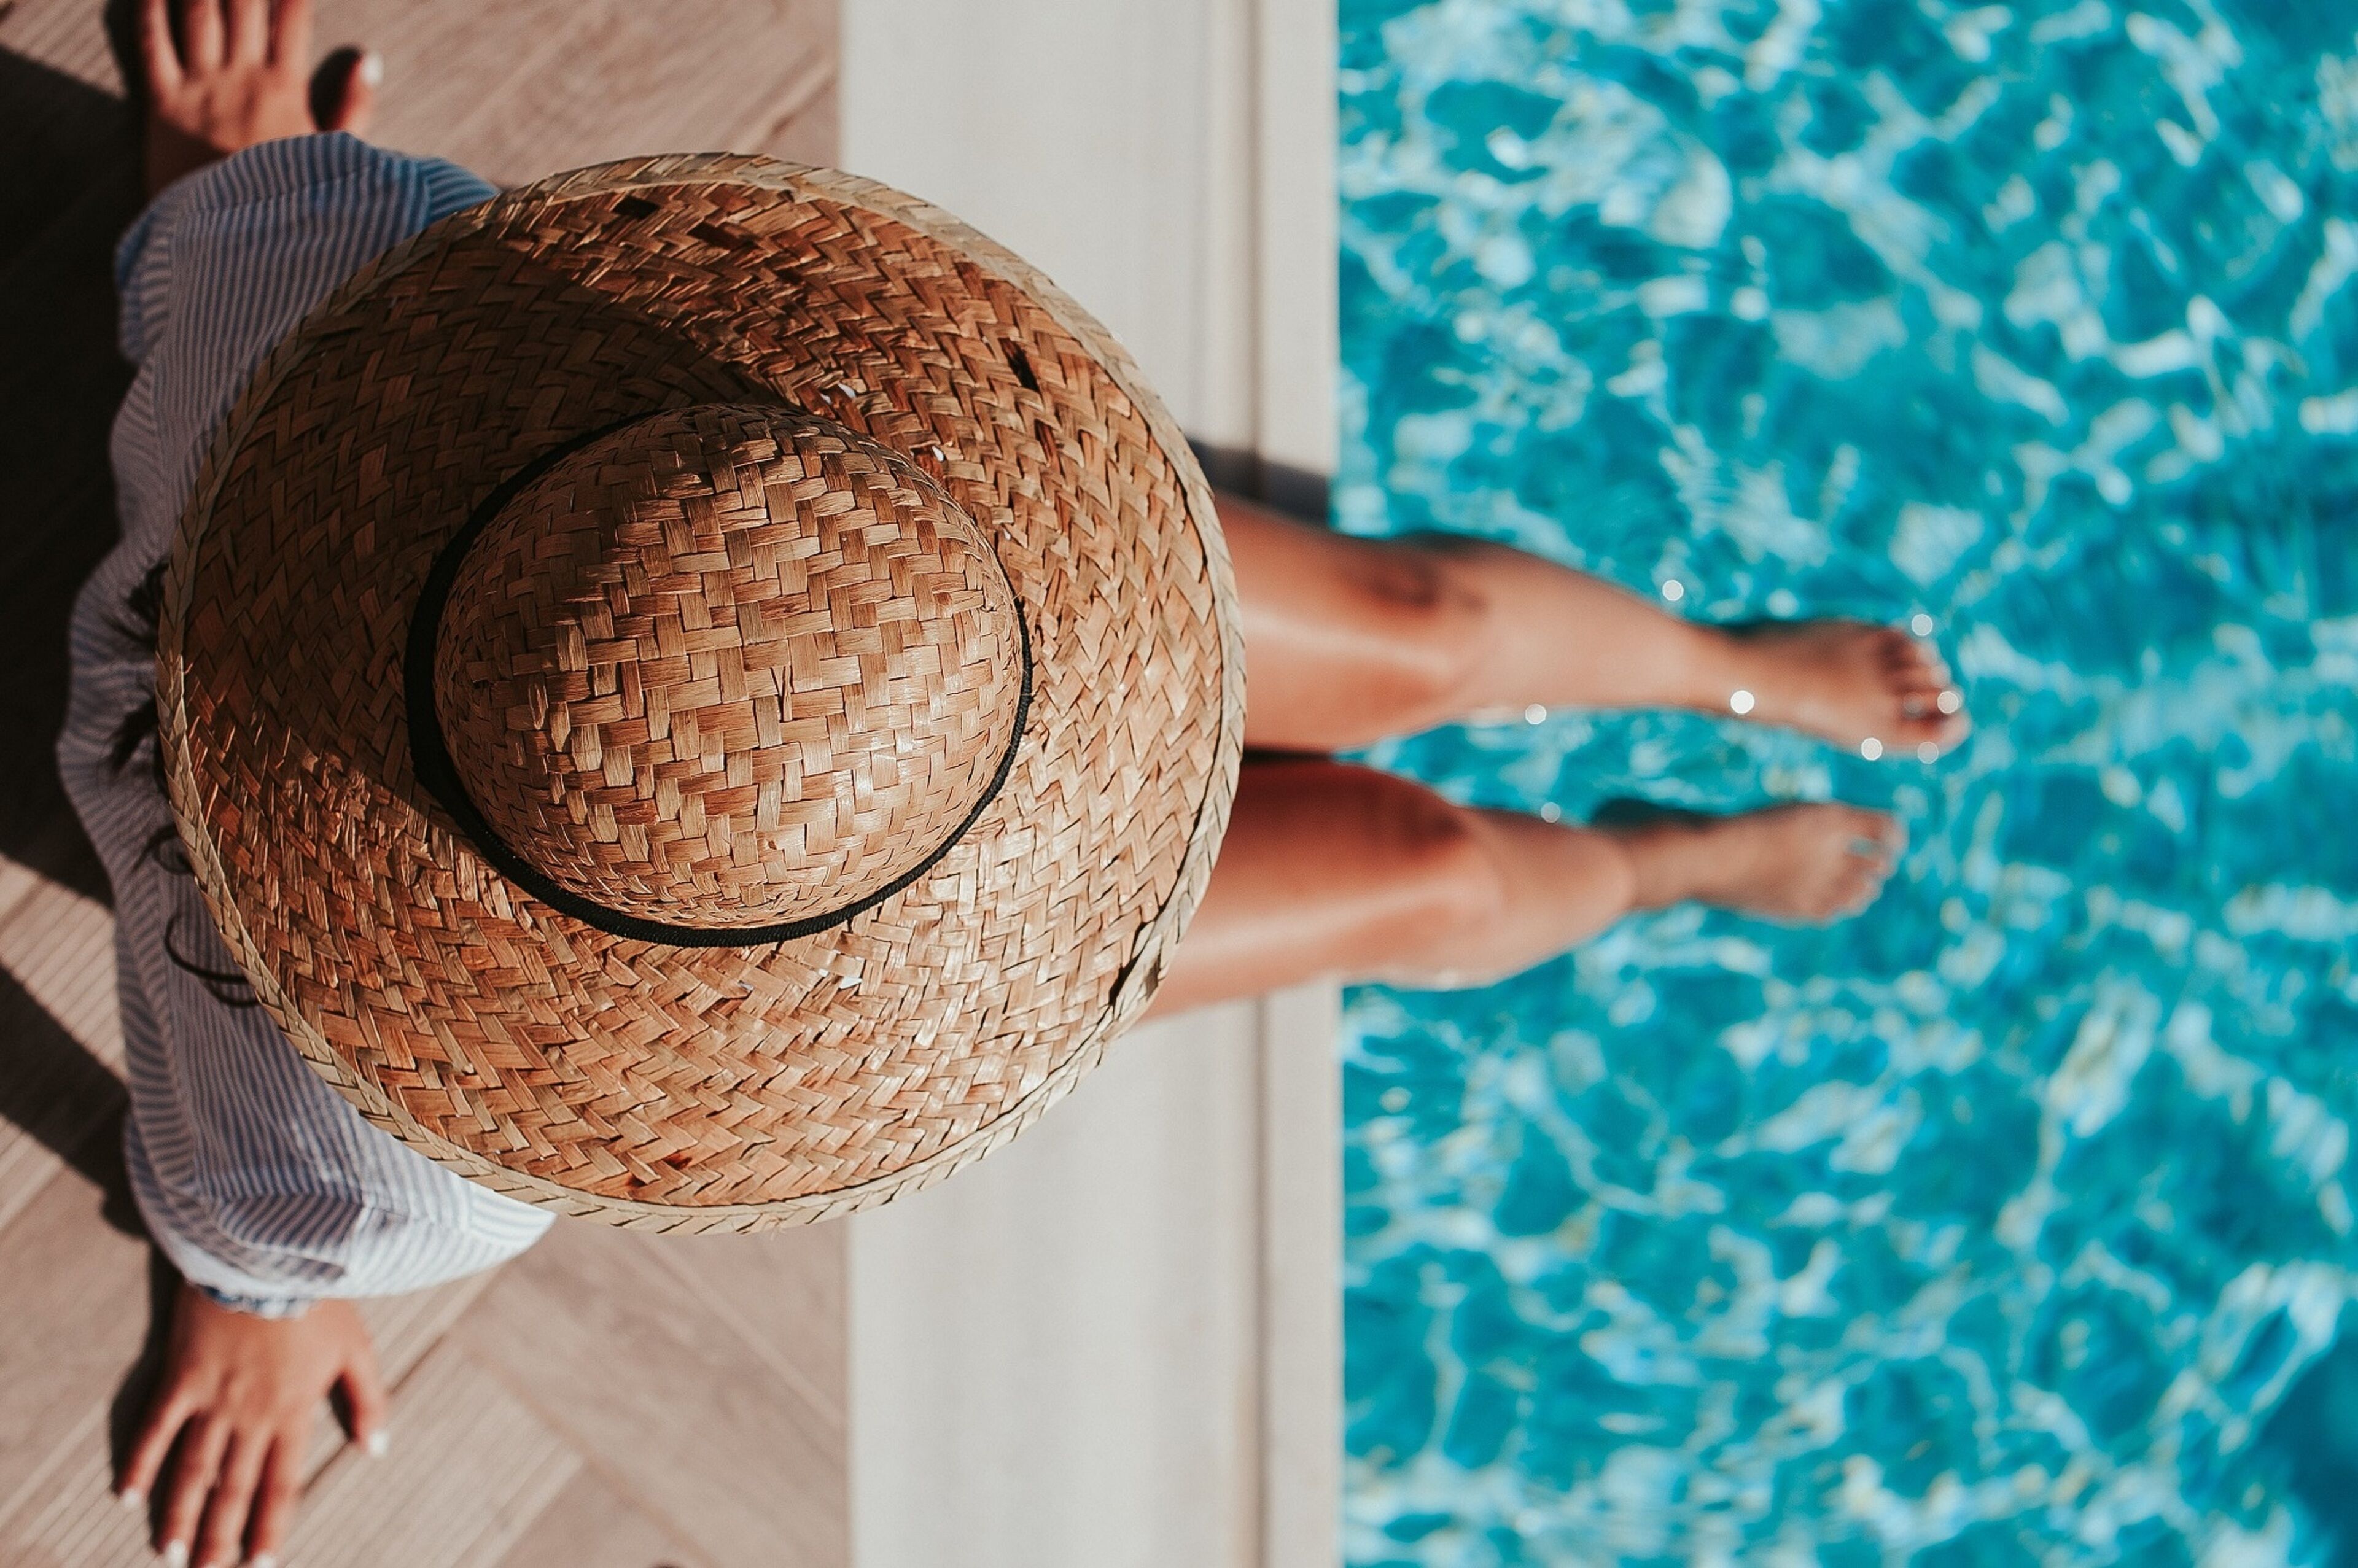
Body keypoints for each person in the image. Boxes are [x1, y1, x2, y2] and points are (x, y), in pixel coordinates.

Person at [61, 1, 1967, 1563]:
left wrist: (228, 177)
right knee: (1423, 865)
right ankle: (1663, 858)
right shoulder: (371, 1137)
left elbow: (238, 245)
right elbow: (260, 1190)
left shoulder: (307, 268)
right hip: (830, 886)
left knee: (1417, 628)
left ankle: (1722, 671)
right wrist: (258, 1294)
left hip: (924, 605)